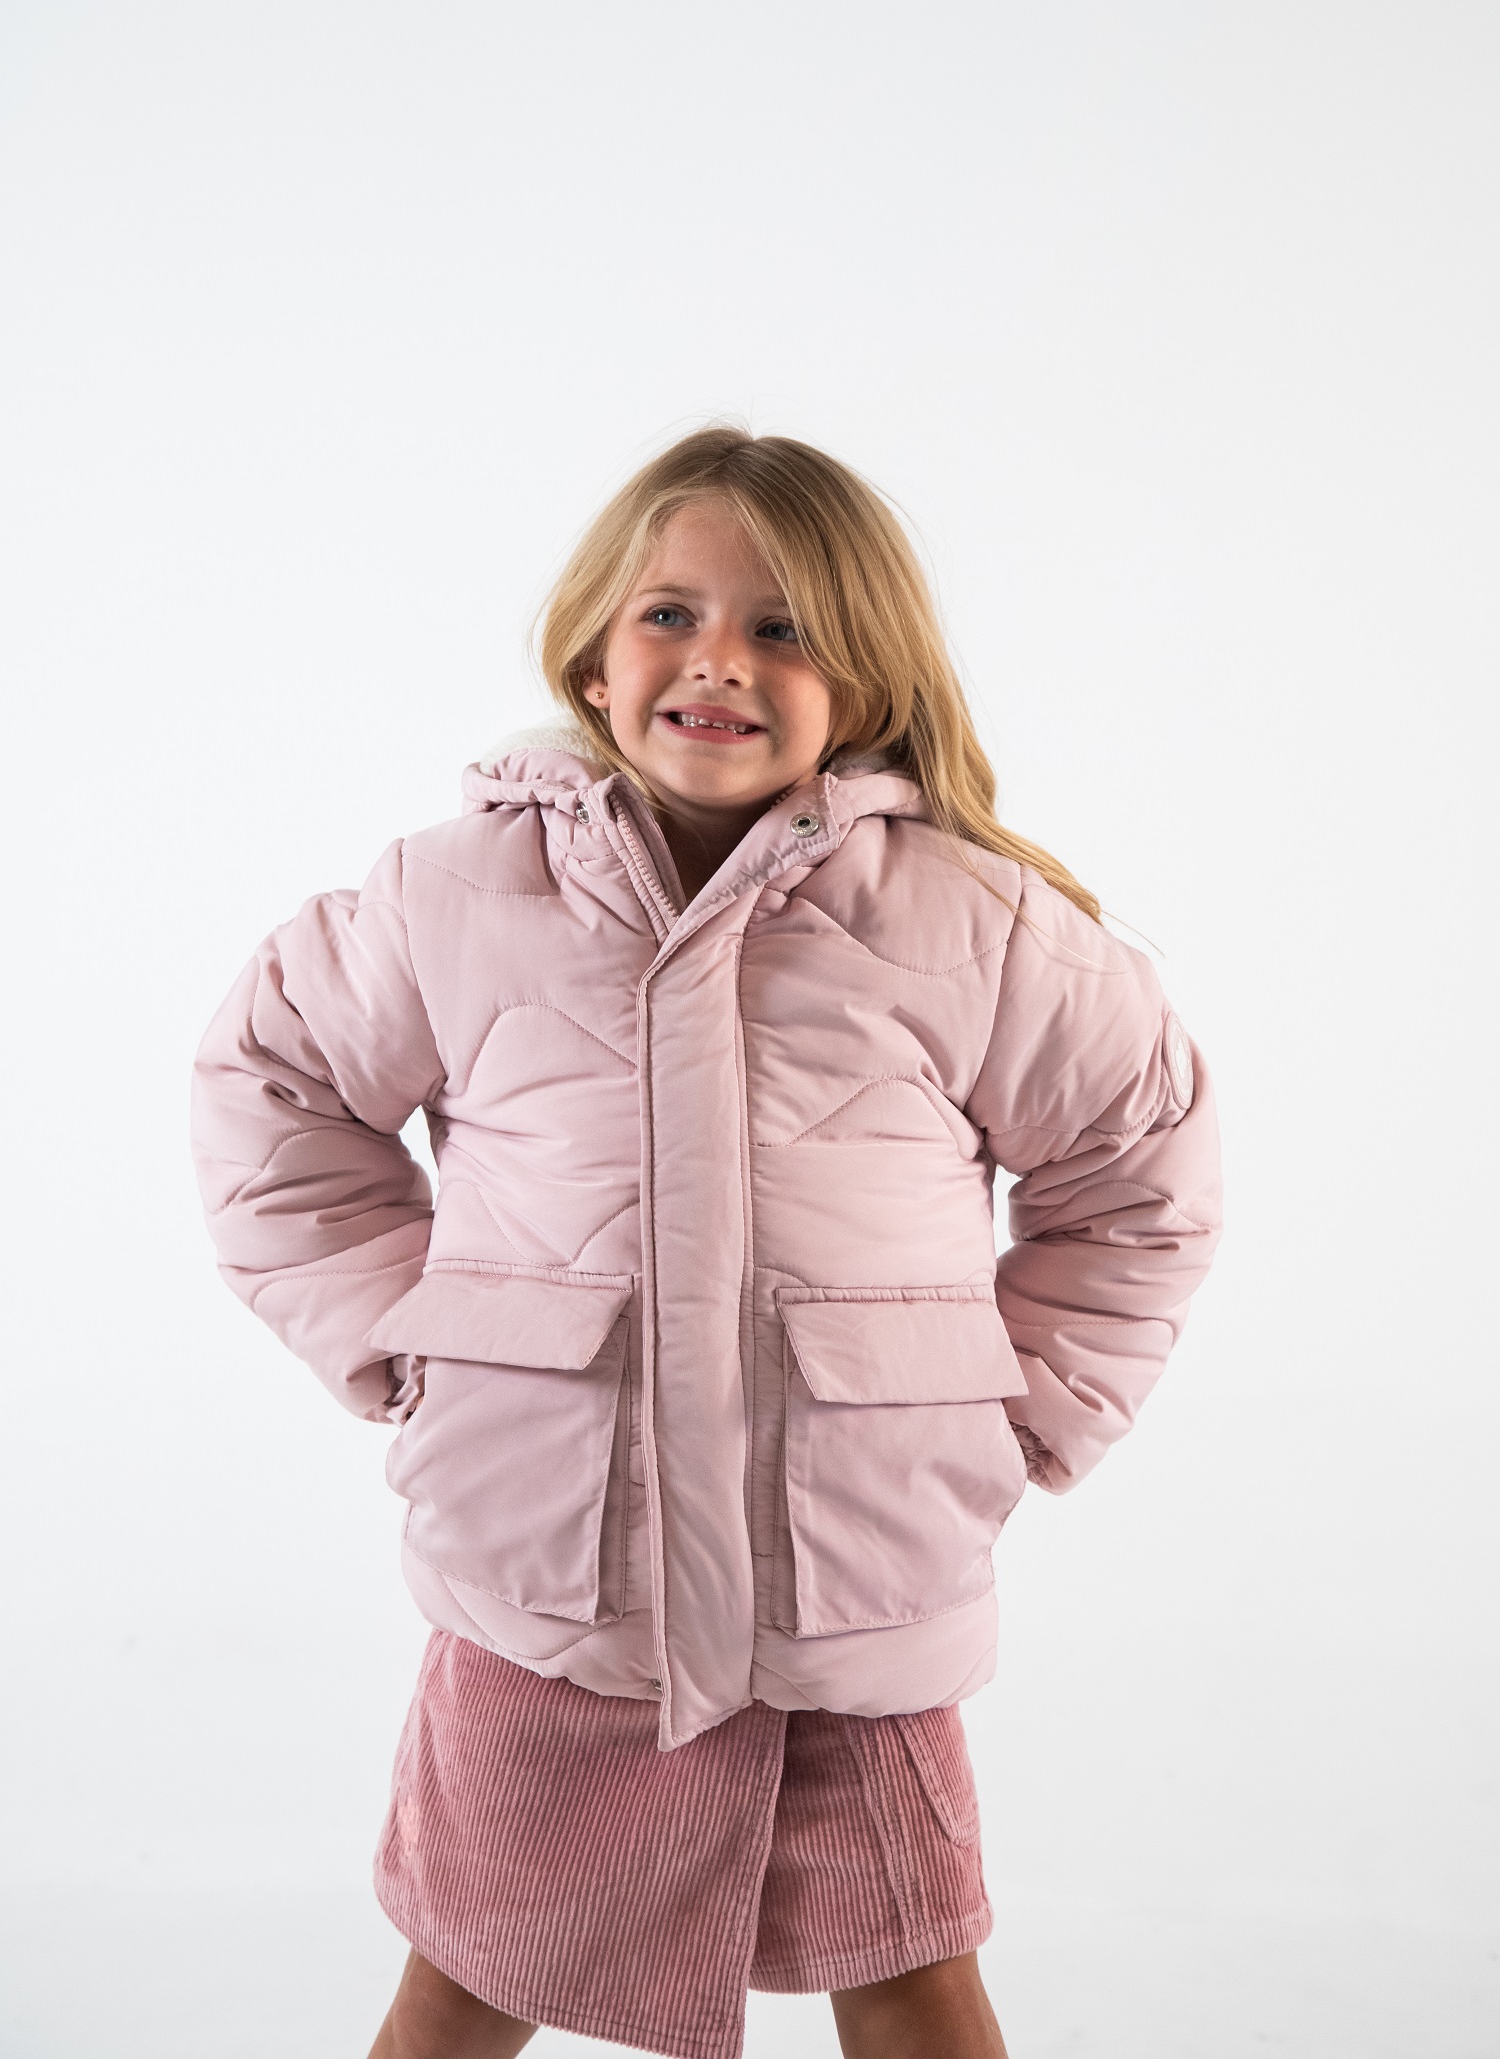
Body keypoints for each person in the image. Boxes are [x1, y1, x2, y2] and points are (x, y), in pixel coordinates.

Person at [191, 427, 1221, 2059]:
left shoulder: (974, 923)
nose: (718, 659)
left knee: (915, 1974)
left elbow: (1137, 1167)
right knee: (463, 1978)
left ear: (865, 676)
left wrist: (1026, 1409)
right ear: (594, 658)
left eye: (783, 626)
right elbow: (274, 1083)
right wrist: (404, 1335)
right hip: (552, 1567)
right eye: (670, 613)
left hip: (848, 1577)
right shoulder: (451, 897)